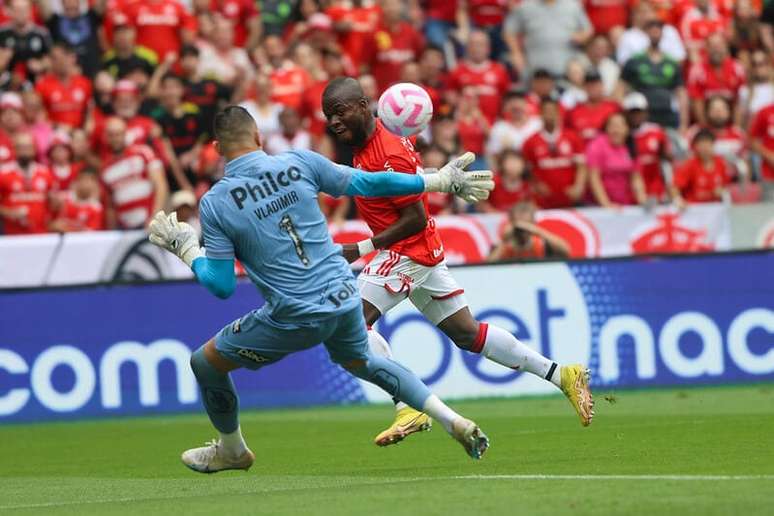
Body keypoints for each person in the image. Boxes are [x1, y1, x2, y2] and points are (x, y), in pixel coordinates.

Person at [147, 105, 495, 472]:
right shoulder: (298, 162)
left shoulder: (216, 204)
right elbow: (369, 181)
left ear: (217, 148)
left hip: (294, 313)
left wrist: (187, 250)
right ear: (259, 138)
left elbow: (221, 286)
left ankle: (232, 450)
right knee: (365, 362)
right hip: (345, 296)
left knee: (205, 362)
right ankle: (449, 418)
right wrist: (436, 181)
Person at [323, 77, 593, 446]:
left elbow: (414, 217)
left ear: (363, 106)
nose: (334, 122)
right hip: (423, 253)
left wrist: (362, 247)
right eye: (328, 116)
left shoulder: (389, 150)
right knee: (468, 334)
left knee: (352, 324)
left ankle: (407, 405)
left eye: (340, 112)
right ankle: (563, 374)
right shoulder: (369, 146)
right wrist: (437, 179)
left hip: (404, 252)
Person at [619, 18, 689, 138]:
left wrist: (683, 124)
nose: (655, 33)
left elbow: (681, 93)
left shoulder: (671, 62)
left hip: (667, 114)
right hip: (641, 115)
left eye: (658, 30)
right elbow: (620, 88)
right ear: (646, 33)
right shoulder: (635, 60)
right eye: (652, 30)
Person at [99, 117, 168, 229]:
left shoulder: (143, 152)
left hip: (149, 222)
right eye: (111, 135)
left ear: (126, 134)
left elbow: (160, 185)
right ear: (106, 137)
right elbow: (110, 206)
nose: (115, 139)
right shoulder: (105, 168)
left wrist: (155, 217)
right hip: (124, 228)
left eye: (118, 134)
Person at [522, 97, 588, 209]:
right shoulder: (530, 142)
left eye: (552, 111)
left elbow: (581, 165)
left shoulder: (572, 137)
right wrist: (537, 185)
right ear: (540, 114)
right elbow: (528, 170)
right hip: (543, 201)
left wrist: (578, 186)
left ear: (558, 113)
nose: (550, 115)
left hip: (569, 199)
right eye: (546, 111)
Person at [504, 0, 593, 79]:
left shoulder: (572, 5)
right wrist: (516, 53)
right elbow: (509, 31)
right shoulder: (525, 6)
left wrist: (582, 36)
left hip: (568, 67)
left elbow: (588, 29)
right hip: (536, 67)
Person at [445, 29, 511, 124]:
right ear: (467, 48)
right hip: (466, 125)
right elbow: (449, 95)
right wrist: (463, 100)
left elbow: (507, 98)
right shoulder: (457, 71)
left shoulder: (499, 70)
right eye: (473, 44)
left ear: (488, 48)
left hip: (493, 125)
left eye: (480, 44)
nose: (476, 48)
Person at [586, 112, 647, 208]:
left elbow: (636, 178)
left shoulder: (631, 146)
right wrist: (606, 204)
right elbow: (594, 178)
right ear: (606, 129)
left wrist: (642, 200)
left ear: (627, 129)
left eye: (620, 126)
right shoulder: (596, 146)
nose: (616, 130)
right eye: (612, 126)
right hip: (598, 206)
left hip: (625, 205)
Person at [0, 132, 54, 235]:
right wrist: (10, 213)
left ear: (34, 149)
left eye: (28, 147)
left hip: (40, 233)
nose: (24, 151)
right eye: (21, 147)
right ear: (14, 149)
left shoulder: (45, 172)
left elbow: (52, 203)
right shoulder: (3, 173)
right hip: (11, 234)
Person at [623, 92, 673, 202]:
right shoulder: (622, 135)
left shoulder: (656, 132)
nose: (636, 116)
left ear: (646, 112)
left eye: (639, 112)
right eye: (632, 112)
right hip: (629, 191)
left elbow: (668, 160)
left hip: (655, 189)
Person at [34, 42, 92, 129]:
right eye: (54, 59)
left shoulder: (85, 83)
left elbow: (89, 114)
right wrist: (59, 128)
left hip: (79, 137)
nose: (60, 62)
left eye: (63, 57)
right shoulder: (42, 85)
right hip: (53, 136)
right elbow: (39, 118)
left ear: (72, 58)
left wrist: (84, 132)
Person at [487, 201, 570, 261]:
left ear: (533, 223)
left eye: (527, 224)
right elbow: (488, 265)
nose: (523, 229)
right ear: (511, 222)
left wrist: (537, 231)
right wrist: (504, 241)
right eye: (519, 223)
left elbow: (565, 251)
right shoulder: (503, 244)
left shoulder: (541, 243)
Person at [670, 129, 732, 206]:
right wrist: (678, 201)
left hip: (715, 208)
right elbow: (674, 188)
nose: (705, 149)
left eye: (707, 144)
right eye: (701, 145)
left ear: (713, 145)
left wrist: (723, 191)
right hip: (694, 208)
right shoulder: (689, 165)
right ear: (695, 147)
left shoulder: (721, 163)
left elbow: (727, 187)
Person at [566, 70, 621, 143]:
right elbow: (567, 133)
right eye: (589, 84)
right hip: (581, 151)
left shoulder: (613, 108)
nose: (592, 87)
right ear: (584, 87)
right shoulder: (575, 111)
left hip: (606, 152)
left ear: (602, 85)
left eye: (596, 84)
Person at [49, 168, 104, 232]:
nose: (85, 184)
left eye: (89, 180)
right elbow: (52, 225)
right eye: (83, 179)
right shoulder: (63, 199)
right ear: (77, 181)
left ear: (94, 184)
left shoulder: (96, 208)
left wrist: (66, 229)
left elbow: (90, 235)